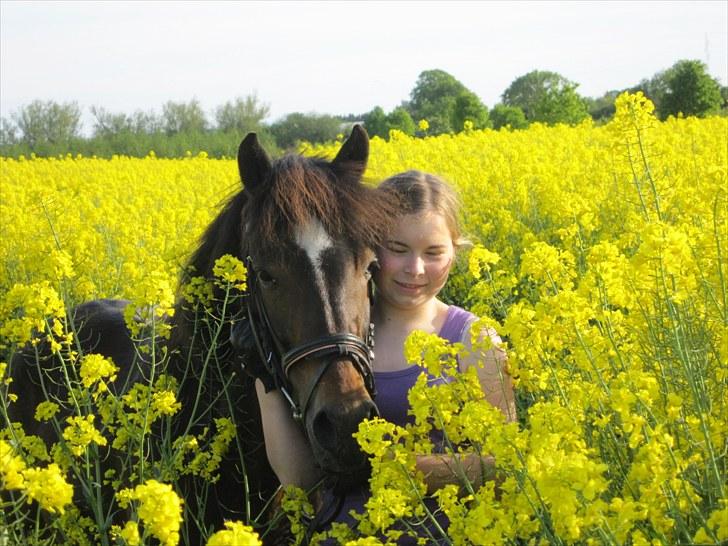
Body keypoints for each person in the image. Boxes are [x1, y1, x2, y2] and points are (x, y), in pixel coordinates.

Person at [255, 170, 516, 540]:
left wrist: (401, 468)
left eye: (433, 252)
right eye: (397, 250)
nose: (415, 269)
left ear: (455, 252)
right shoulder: (332, 338)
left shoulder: (476, 341)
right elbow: (299, 479)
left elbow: (506, 466)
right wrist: (263, 373)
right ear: (371, 249)